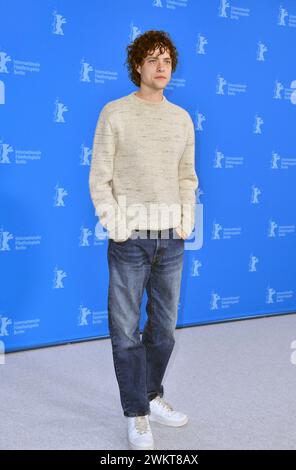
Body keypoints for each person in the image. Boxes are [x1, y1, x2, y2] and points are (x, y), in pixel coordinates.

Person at [89, 30, 199, 450]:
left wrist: (184, 221)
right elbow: (101, 178)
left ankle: (151, 395)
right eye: (153, 59)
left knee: (164, 332)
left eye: (167, 59)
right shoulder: (114, 113)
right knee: (124, 330)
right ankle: (136, 414)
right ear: (138, 65)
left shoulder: (181, 119)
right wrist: (117, 225)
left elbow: (187, 176)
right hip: (130, 238)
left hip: (170, 240)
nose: (161, 66)